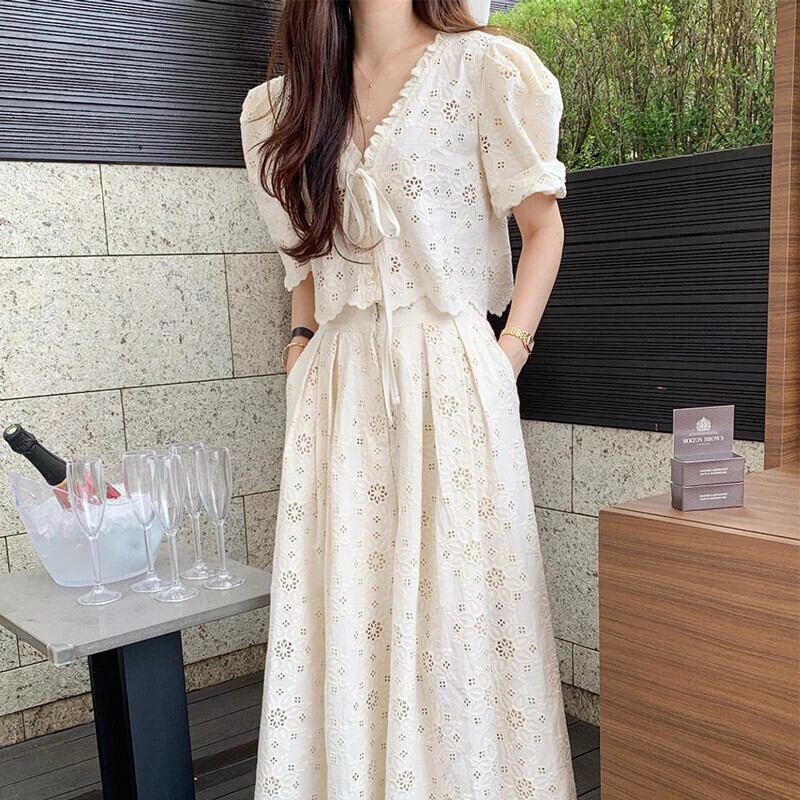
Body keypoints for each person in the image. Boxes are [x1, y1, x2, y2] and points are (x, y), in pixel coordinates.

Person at [240, 1, 576, 798]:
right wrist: (299, 343)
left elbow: (543, 228)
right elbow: (302, 264)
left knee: (457, 606)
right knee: (351, 606)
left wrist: (506, 355)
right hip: (338, 392)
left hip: (452, 383)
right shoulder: (284, 106)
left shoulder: (483, 70)